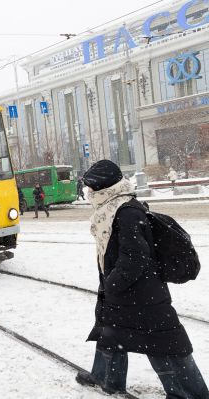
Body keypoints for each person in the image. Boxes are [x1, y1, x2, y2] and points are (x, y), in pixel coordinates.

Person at [76, 160, 209, 397]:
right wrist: (111, 284)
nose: (88, 193)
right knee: (110, 333)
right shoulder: (111, 208)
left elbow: (136, 257)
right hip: (126, 291)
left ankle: (190, 393)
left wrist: (113, 283)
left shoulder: (126, 212)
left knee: (162, 343)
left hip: (142, 294)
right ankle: (106, 378)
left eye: (90, 188)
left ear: (102, 187)